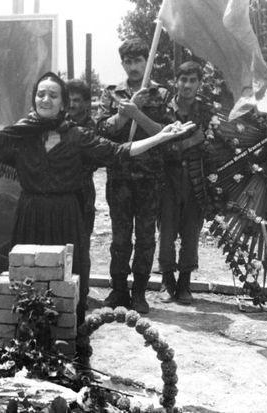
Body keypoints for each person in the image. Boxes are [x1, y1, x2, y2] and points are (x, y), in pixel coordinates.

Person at [0, 72, 195, 324]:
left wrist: (160, 137)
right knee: (27, 279)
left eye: (53, 95)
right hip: (31, 214)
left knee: (67, 280)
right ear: (34, 99)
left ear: (62, 103)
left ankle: (69, 336)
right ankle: (27, 336)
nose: (45, 99)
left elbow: (117, 152)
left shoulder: (77, 136)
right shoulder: (20, 134)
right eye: (41, 94)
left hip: (66, 216)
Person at [96, 38, 171, 314]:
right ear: (122, 64)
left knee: (146, 238)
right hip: (120, 178)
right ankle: (118, 289)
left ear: (146, 60)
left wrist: (137, 114)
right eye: (128, 61)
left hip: (149, 178)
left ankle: (139, 292)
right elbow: (102, 131)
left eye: (138, 60)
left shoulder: (161, 94)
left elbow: (167, 133)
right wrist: (122, 116)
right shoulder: (112, 93)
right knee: (120, 238)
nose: (134, 66)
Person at [158, 61, 219, 304]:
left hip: (195, 179)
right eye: (183, 80)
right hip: (168, 179)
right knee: (166, 232)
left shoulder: (206, 112)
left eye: (193, 80)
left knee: (191, 233)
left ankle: (184, 284)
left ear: (200, 83)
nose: (187, 85)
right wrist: (190, 142)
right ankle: (167, 281)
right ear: (176, 81)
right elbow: (160, 146)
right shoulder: (164, 111)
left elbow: (214, 145)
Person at [66, 79, 99, 291]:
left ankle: (83, 292)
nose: (72, 104)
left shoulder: (91, 128)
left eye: (77, 100)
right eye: (68, 99)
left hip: (82, 193)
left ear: (86, 103)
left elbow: (93, 161)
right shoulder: (59, 124)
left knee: (82, 243)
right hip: (62, 193)